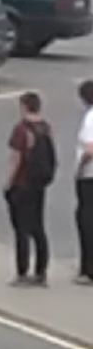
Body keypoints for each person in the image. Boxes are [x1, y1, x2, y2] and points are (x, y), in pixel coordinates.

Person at [4, 92, 55, 287]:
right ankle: (41, 272)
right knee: (38, 227)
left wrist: (8, 182)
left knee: (21, 230)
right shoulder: (46, 128)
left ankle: (22, 272)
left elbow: (16, 158)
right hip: (39, 183)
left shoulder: (21, 129)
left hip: (22, 182)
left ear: (24, 106)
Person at [74, 80, 93, 285]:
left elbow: (90, 149)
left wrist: (79, 169)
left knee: (86, 221)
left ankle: (88, 269)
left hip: (89, 176)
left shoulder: (90, 118)